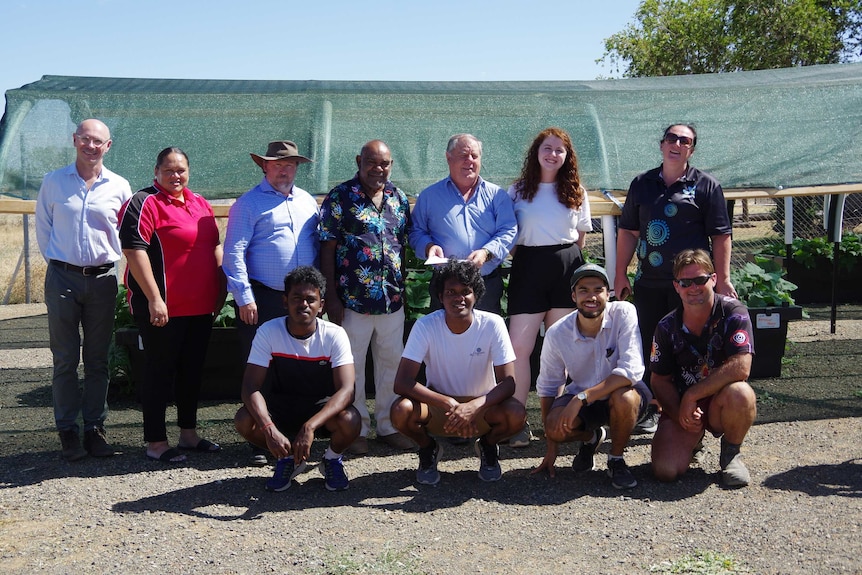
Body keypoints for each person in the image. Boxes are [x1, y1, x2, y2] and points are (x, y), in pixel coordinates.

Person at [614, 124, 736, 434]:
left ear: (691, 150)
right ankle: (651, 408)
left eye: (685, 140)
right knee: (650, 346)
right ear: (662, 145)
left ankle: (696, 408)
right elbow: (628, 231)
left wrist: (722, 279)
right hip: (649, 282)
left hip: (692, 286)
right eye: (672, 138)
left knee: (692, 346)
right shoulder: (641, 184)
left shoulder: (707, 186)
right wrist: (619, 273)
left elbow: (721, 236)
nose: (677, 144)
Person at [119, 147, 225, 463]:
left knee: (192, 372)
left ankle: (188, 435)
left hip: (200, 307)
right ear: (156, 171)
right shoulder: (144, 202)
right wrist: (154, 299)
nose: (175, 175)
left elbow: (214, 247)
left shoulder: (200, 203)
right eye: (169, 170)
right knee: (158, 373)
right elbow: (134, 250)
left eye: (181, 170)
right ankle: (155, 442)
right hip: (163, 309)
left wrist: (219, 293)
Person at [35, 119, 132, 461]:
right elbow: (43, 228)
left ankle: (94, 429)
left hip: (104, 279)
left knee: (97, 359)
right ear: (75, 140)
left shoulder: (119, 186)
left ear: (108, 146)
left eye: (98, 142)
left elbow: (128, 236)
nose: (91, 146)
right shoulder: (54, 182)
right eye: (85, 139)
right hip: (62, 278)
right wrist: (61, 263)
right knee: (64, 358)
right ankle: (67, 432)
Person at [223, 140, 319, 466]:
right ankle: (261, 439)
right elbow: (233, 253)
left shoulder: (307, 202)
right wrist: (244, 298)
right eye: (277, 164)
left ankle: (295, 434)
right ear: (264, 166)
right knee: (260, 368)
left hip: (303, 303)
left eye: (290, 165)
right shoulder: (248, 204)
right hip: (263, 298)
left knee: (296, 367)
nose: (284, 170)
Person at [390, 259, 525, 485]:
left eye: (466, 291)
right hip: (440, 409)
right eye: (451, 291)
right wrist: (449, 404)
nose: (458, 298)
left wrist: (474, 406)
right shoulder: (425, 325)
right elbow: (402, 382)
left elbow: (509, 383)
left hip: (482, 408)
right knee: (401, 411)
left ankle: (488, 446)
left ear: (476, 295)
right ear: (440, 297)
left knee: (516, 414)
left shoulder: (493, 324)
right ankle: (428, 448)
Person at [319, 140, 414, 454]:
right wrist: (330, 297)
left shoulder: (398, 198)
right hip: (352, 300)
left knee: (391, 364)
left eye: (385, 163)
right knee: (353, 366)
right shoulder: (340, 197)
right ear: (359, 161)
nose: (379, 169)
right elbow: (327, 248)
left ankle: (388, 426)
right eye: (372, 162)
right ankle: (356, 428)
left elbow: (403, 243)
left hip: (392, 300)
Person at [234, 266, 360, 492]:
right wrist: (270, 429)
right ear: (285, 302)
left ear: (321, 306)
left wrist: (310, 427)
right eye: (297, 298)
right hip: (281, 407)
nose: (304, 304)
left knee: (351, 419)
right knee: (244, 419)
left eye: (311, 299)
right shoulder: (268, 331)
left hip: (321, 412)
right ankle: (287, 458)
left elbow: (347, 390)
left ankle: (331, 459)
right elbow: (250, 387)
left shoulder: (334, 334)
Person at [506, 127, 592, 448]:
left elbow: (580, 238)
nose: (553, 154)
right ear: (536, 152)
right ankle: (517, 422)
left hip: (566, 269)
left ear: (567, 157)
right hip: (528, 269)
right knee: (519, 349)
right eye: (547, 148)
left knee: (559, 351)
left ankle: (554, 419)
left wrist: (563, 260)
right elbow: (510, 238)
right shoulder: (517, 191)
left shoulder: (576, 192)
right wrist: (532, 258)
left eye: (560, 150)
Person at [533, 264, 652, 490]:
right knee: (555, 426)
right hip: (584, 397)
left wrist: (581, 398)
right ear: (573, 296)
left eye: (598, 290)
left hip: (623, 393)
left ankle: (616, 459)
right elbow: (548, 386)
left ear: (608, 294)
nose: (592, 296)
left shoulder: (624, 313)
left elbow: (631, 370)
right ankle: (590, 438)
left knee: (624, 397)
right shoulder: (557, 332)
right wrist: (551, 443)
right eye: (584, 290)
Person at [649, 249, 755, 487]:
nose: (693, 288)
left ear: (714, 279)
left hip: (721, 401)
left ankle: (731, 453)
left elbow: (742, 366)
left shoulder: (733, 312)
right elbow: (659, 379)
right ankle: (693, 438)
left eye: (700, 280)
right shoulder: (666, 326)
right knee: (665, 471)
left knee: (742, 392)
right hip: (684, 407)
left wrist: (692, 395)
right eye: (686, 283)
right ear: (676, 286)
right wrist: (679, 414)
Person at [409, 134, 517, 314]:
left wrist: (487, 252)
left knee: (486, 339)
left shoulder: (497, 195)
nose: (470, 161)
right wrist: (428, 247)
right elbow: (416, 231)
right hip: (445, 286)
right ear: (448, 158)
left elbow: (508, 230)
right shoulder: (429, 196)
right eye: (463, 156)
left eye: (474, 156)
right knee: (443, 339)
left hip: (485, 283)